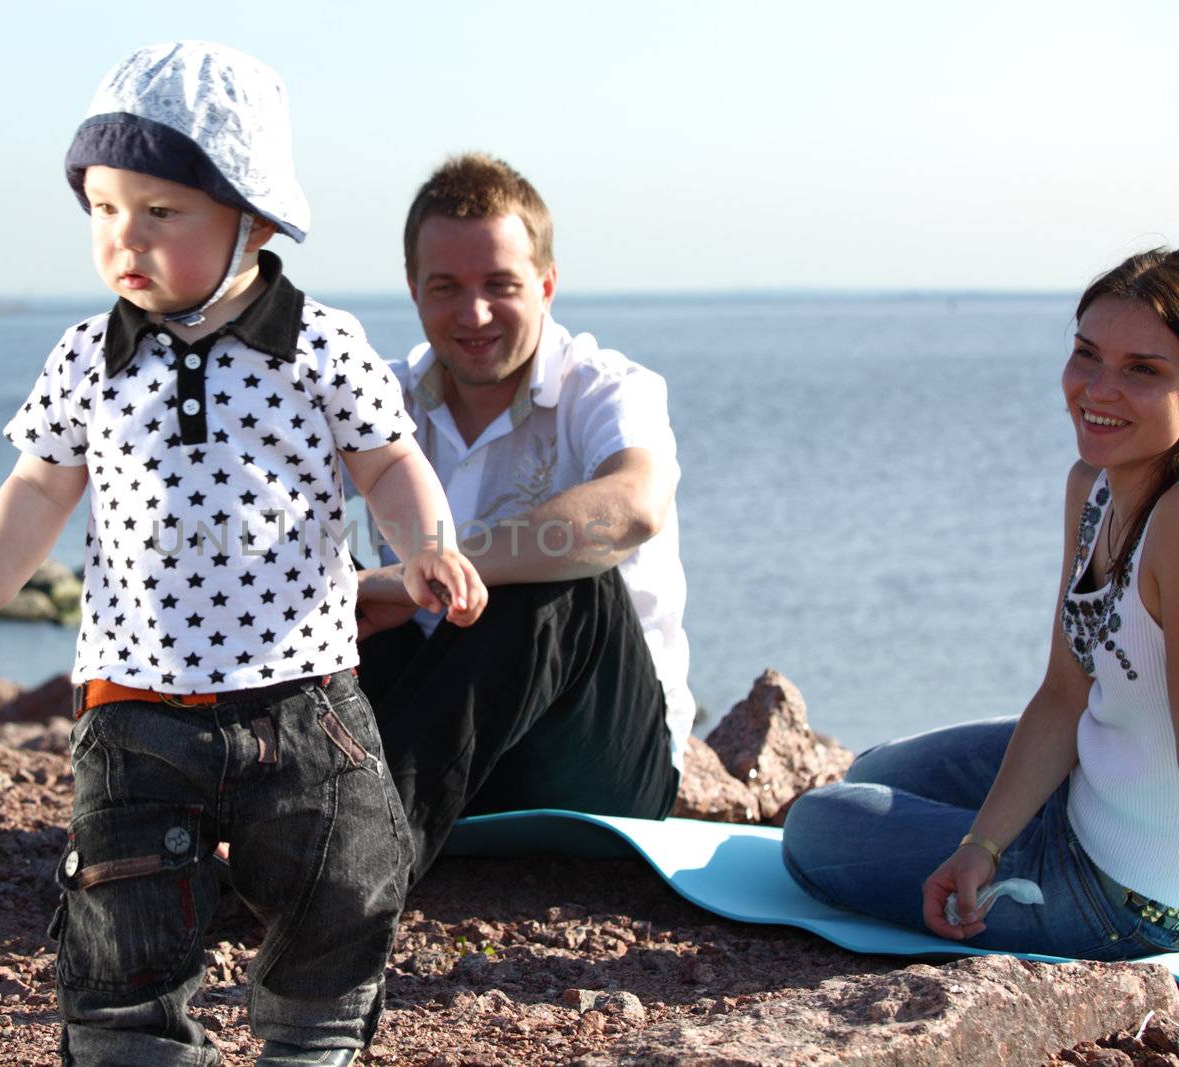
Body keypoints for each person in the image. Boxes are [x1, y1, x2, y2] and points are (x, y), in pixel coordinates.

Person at [0, 42, 486, 1067]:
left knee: (345, 872)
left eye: (160, 212)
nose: (124, 239)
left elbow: (387, 462)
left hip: (302, 690)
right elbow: (41, 483)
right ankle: (137, 1046)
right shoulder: (89, 354)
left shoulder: (319, 343)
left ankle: (309, 1037)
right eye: (103, 210)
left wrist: (426, 543)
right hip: (133, 696)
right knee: (124, 906)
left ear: (251, 218)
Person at [782, 248, 1179, 961]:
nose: (1098, 388)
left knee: (816, 826)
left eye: (1143, 370)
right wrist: (983, 843)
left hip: (1127, 895)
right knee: (874, 771)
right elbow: (1064, 693)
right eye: (1087, 354)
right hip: (1093, 771)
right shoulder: (1092, 485)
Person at [353, 154, 693, 882]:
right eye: (446, 287)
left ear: (546, 284)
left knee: (564, 570)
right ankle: (211, 812)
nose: (473, 314)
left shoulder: (606, 388)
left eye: (500, 286)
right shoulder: (379, 398)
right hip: (431, 733)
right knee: (298, 562)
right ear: (414, 289)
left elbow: (636, 505)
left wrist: (418, 574)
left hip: (589, 763)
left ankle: (360, 860)